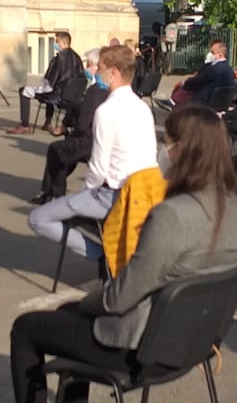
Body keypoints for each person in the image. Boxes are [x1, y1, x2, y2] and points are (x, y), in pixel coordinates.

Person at [0, 104, 237, 403]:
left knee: (28, 329)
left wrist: (87, 303)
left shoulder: (171, 216)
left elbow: (120, 297)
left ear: (183, 151)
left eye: (167, 142)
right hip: (193, 344)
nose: (162, 152)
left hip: (142, 348)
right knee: (70, 320)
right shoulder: (236, 208)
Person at [28, 45, 156, 262]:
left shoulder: (106, 111)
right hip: (144, 190)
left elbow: (98, 167)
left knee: (38, 218)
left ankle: (100, 256)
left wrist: (84, 195)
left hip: (113, 194)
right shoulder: (142, 107)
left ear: (113, 72)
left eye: (101, 68)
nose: (96, 72)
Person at [32, 50, 110, 205]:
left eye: (90, 65)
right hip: (101, 139)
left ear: (99, 68)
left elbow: (83, 124)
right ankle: (50, 192)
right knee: (62, 151)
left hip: (90, 140)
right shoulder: (108, 90)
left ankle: (54, 194)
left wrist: (68, 130)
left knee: (57, 150)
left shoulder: (94, 91)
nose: (86, 68)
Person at [9, 31, 81, 135]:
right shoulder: (77, 58)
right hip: (72, 96)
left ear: (65, 43)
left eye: (57, 42)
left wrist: (38, 89)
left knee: (24, 90)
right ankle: (47, 122)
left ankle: (24, 125)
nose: (55, 44)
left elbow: (50, 83)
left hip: (58, 95)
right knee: (49, 90)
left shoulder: (59, 59)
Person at [170, 39, 237, 108]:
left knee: (182, 95)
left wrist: (183, 83)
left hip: (203, 101)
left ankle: (172, 104)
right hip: (221, 103)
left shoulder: (213, 69)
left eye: (212, 52)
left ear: (220, 55)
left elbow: (197, 81)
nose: (210, 54)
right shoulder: (230, 69)